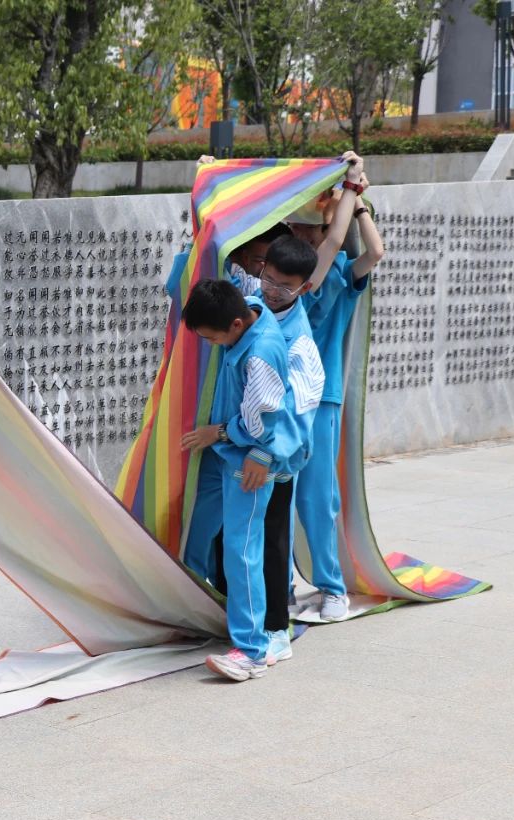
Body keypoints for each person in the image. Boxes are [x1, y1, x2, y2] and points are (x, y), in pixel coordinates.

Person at [179, 279, 298, 682]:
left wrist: (252, 449)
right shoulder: (247, 308)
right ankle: (191, 611)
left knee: (241, 549)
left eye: (212, 339)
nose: (211, 345)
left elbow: (264, 421)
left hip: (249, 460)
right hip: (225, 452)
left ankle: (252, 650)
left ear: (234, 325)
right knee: (195, 528)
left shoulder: (262, 353)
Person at [286, 159, 383, 621]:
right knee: (279, 498)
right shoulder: (287, 280)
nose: (301, 234)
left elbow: (373, 251)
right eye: (295, 227)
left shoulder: (336, 271)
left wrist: (355, 197)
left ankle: (331, 588)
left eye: (310, 227)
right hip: (282, 400)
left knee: (317, 497)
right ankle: (281, 586)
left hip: (321, 399)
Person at [250, 236, 324, 663]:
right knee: (239, 539)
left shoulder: (299, 341)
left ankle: (278, 627)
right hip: (240, 450)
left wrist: (268, 453)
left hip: (275, 459)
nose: (272, 291)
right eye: (268, 279)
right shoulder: (251, 305)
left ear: (304, 288)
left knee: (273, 540)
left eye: (284, 287)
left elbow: (299, 409)